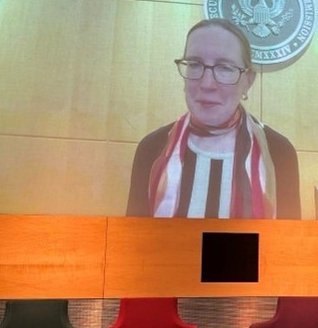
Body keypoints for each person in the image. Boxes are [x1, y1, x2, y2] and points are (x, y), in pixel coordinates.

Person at [127, 18, 301, 219]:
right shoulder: (152, 148)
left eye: (225, 68)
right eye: (194, 64)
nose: (207, 84)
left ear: (248, 81)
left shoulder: (279, 152)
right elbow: (134, 237)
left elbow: (288, 238)